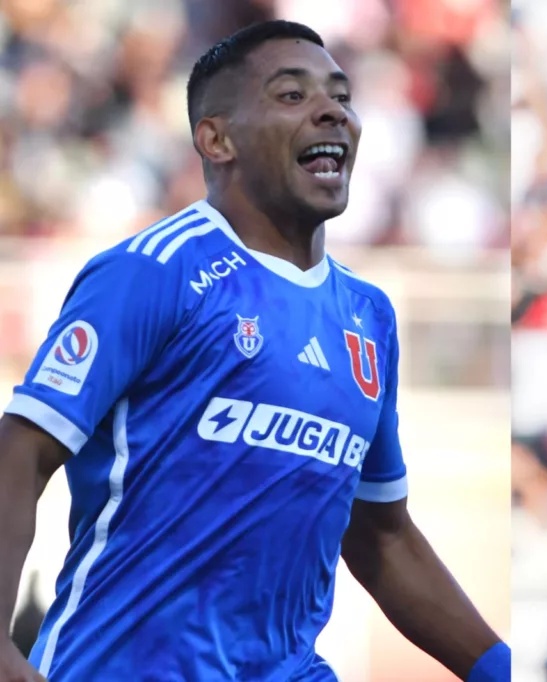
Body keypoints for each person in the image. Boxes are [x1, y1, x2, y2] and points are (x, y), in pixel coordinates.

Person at [0, 20, 509, 682]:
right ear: (218, 138)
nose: (332, 110)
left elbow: (381, 535)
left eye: (341, 95)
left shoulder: (367, 316)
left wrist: (500, 668)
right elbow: (21, 450)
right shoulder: (156, 271)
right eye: (291, 95)